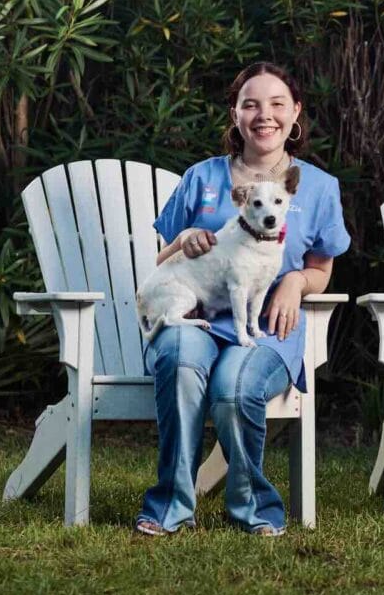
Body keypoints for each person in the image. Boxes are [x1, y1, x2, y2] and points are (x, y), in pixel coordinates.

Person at [134, 61, 350, 537]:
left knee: (233, 390)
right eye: (250, 104)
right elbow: (161, 261)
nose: (263, 115)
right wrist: (185, 237)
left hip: (267, 328)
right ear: (235, 114)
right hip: (195, 313)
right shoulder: (203, 177)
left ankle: (254, 508)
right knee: (179, 362)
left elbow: (322, 269)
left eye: (276, 104)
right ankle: (170, 505)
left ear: (296, 112)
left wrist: (295, 283)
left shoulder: (315, 186)